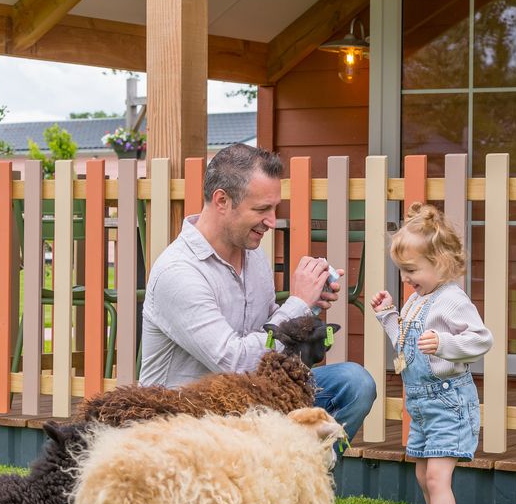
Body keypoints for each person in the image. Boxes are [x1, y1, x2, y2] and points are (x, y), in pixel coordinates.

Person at [139, 143, 376, 444]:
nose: (272, 221)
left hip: (247, 402)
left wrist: (309, 309)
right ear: (222, 200)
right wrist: (298, 303)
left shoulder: (253, 256)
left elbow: (267, 339)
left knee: (354, 383)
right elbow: (236, 363)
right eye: (262, 209)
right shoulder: (179, 272)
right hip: (186, 422)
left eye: (274, 207)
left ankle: (303, 482)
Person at [370, 203, 491, 504]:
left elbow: (480, 339)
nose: (406, 279)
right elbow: (407, 344)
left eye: (411, 271)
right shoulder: (418, 299)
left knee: (438, 477)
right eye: (402, 271)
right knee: (424, 476)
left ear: (441, 264)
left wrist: (446, 343)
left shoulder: (453, 299)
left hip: (448, 402)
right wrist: (390, 317)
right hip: (422, 405)